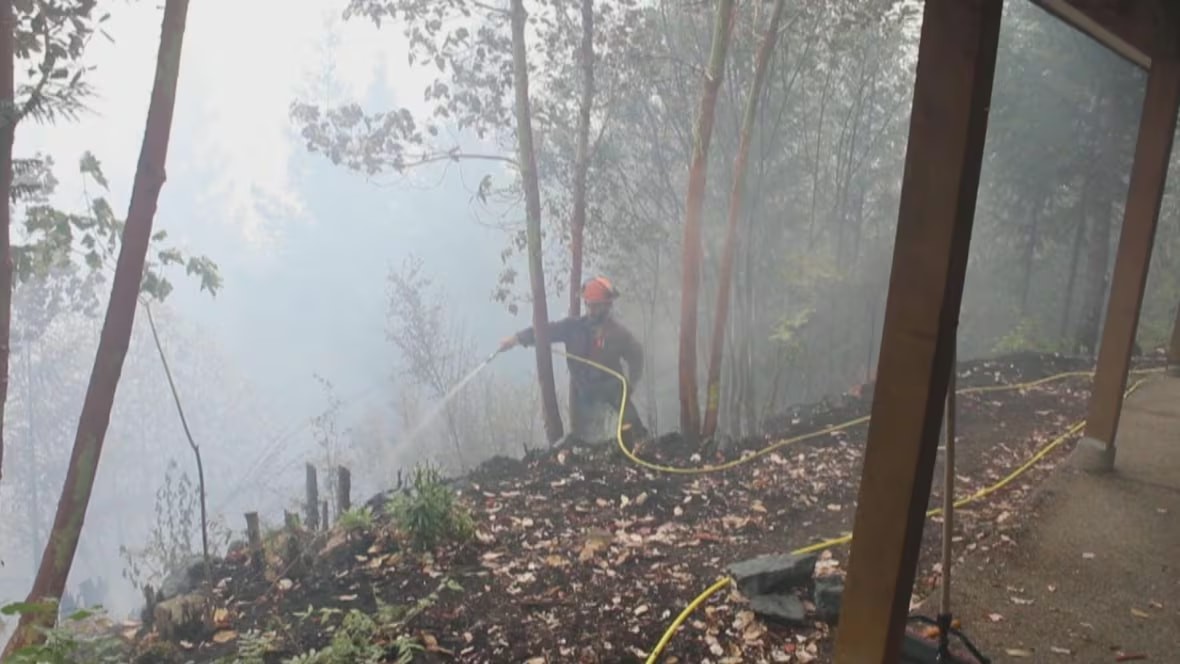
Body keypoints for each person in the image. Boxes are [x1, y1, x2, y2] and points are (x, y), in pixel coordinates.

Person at [500, 276, 648, 446]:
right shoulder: (572, 327)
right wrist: (515, 339)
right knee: (583, 438)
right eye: (588, 305)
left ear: (607, 306)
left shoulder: (618, 334)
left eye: (596, 306)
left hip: (611, 388)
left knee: (628, 420)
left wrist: (632, 383)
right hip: (584, 391)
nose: (591, 310)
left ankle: (640, 442)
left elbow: (637, 356)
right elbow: (544, 331)